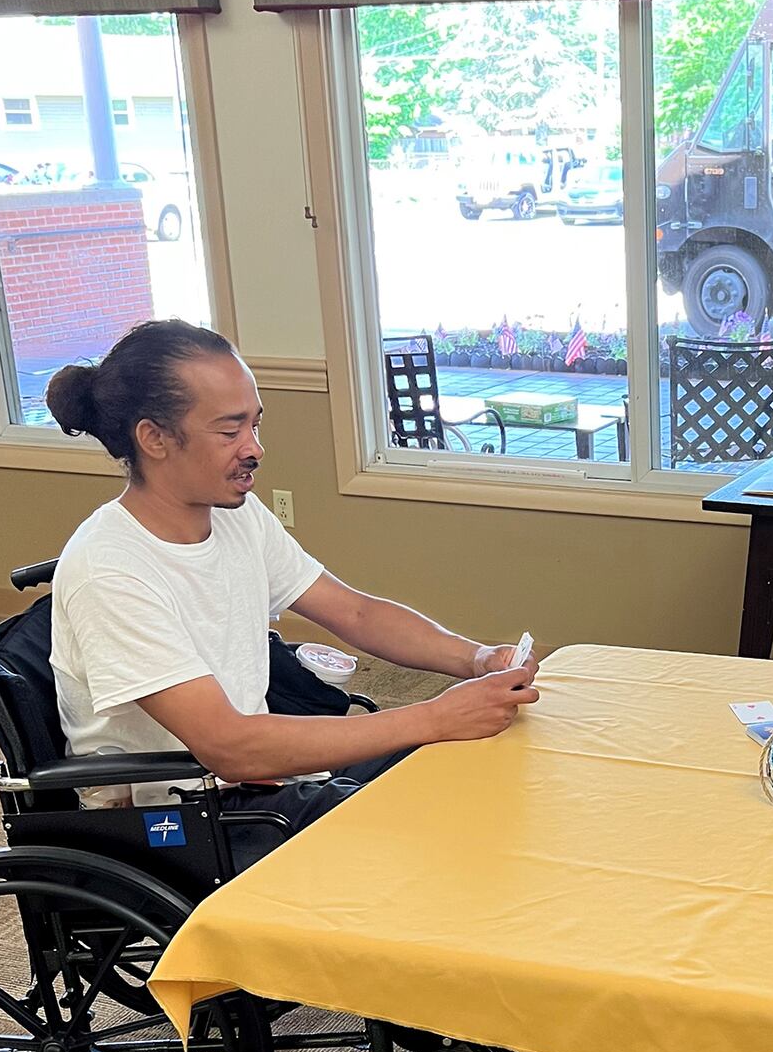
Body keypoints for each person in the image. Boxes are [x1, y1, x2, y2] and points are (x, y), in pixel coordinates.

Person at [45, 318, 538, 843]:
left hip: (254, 781)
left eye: (255, 425)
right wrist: (434, 718)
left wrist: (478, 659)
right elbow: (227, 746)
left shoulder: (237, 516)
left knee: (462, 767)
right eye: (230, 431)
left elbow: (355, 613)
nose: (255, 448)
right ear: (154, 438)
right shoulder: (110, 569)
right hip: (175, 820)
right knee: (423, 824)